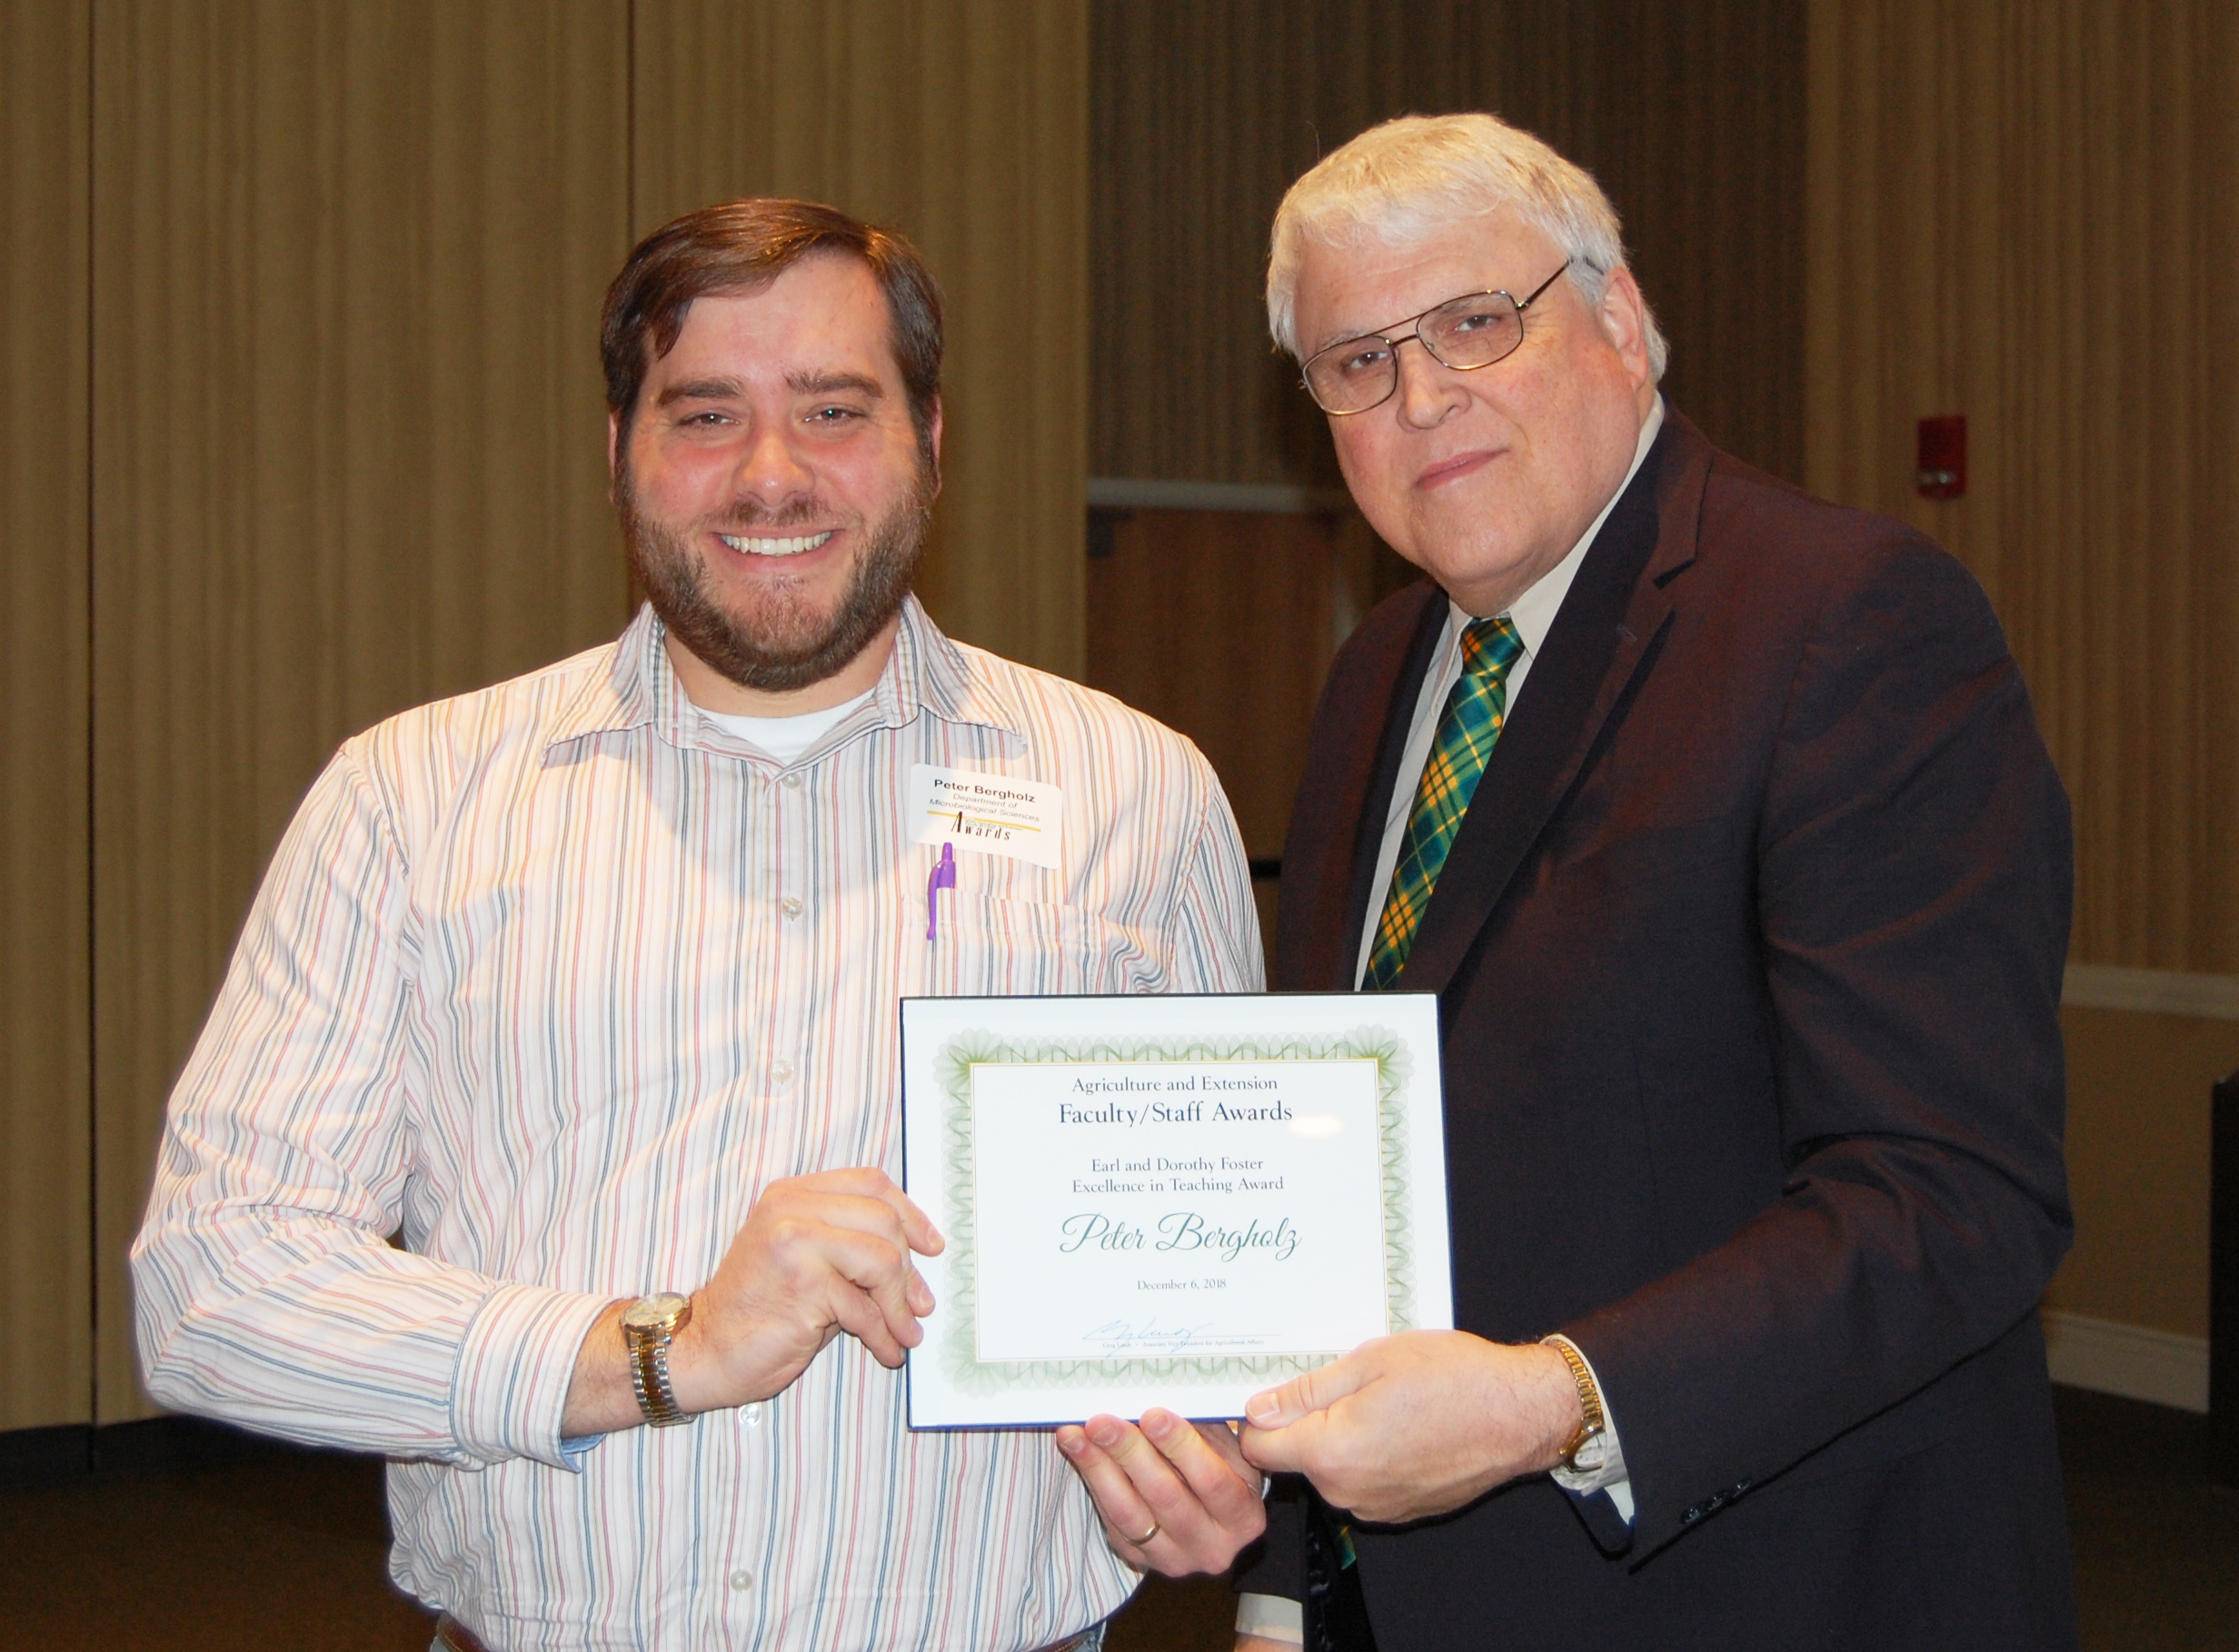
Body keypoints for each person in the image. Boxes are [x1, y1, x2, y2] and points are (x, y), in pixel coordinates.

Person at [132, 197, 1266, 1651]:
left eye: (836, 408)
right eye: (706, 412)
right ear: (620, 457)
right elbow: (214, 1289)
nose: (772, 472)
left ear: (933, 439)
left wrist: (1209, 1453)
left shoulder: (1139, 792)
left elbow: (1226, 1289)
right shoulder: (409, 802)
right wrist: (660, 1354)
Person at [1059, 113, 2077, 1649]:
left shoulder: (1842, 622)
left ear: (1617, 316)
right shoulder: (1378, 677)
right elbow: (1348, 1166)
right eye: (1356, 363)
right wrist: (1279, 1562)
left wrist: (1556, 1399)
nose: (1422, 397)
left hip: (1771, 1589)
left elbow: (1953, 1192)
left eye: (1475, 321)